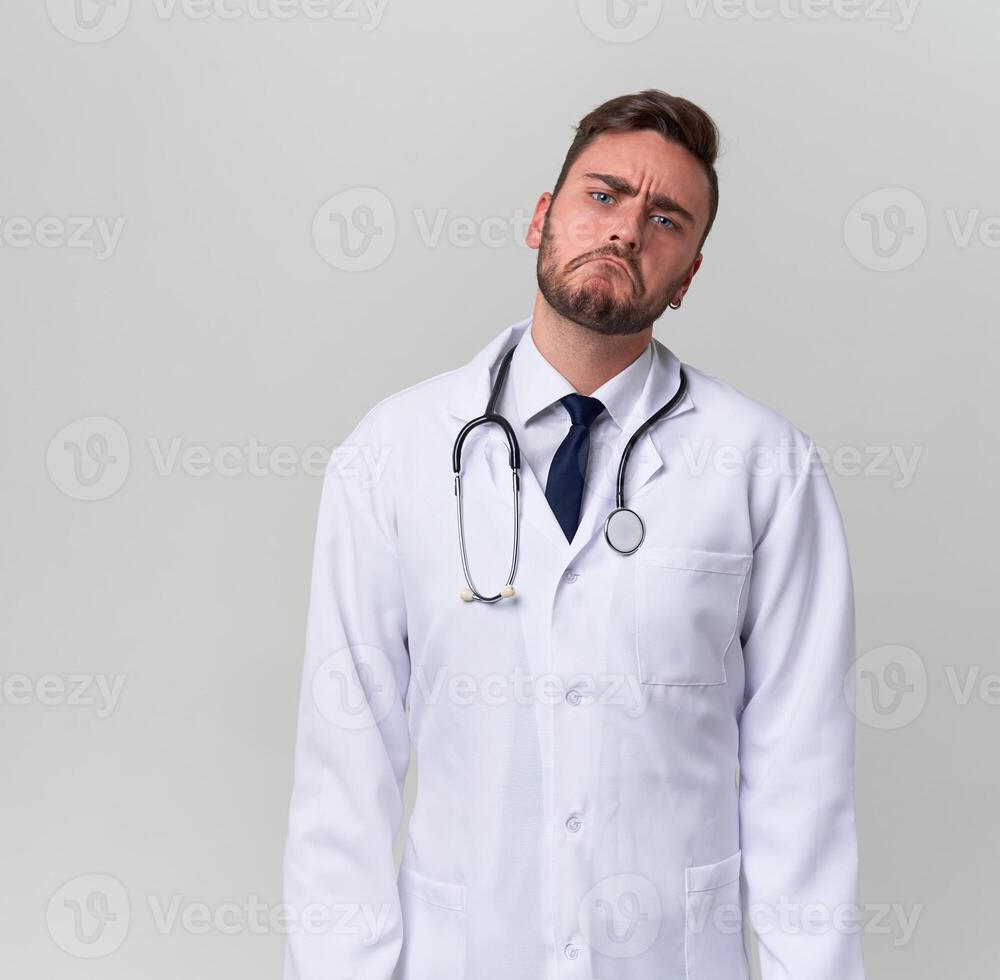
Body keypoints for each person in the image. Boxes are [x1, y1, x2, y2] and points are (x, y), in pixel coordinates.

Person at [281, 88, 866, 980]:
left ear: (689, 274)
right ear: (542, 219)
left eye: (666, 218)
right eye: (604, 196)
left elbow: (803, 779)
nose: (628, 230)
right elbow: (344, 770)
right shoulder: (391, 454)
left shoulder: (764, 466)